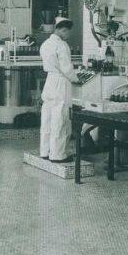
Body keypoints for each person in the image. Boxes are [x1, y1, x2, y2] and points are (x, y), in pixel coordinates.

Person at [39, 17, 79, 163]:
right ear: (63, 30)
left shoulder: (45, 44)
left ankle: (45, 151)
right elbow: (66, 68)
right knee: (60, 118)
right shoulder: (62, 45)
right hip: (60, 82)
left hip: (49, 81)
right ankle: (57, 154)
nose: (68, 35)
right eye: (68, 32)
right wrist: (76, 79)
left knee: (47, 118)